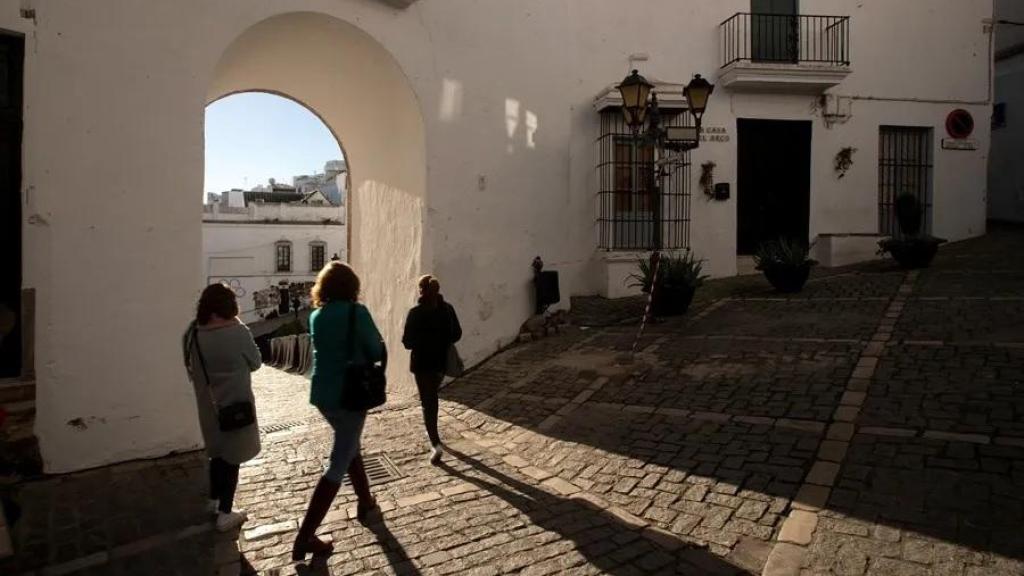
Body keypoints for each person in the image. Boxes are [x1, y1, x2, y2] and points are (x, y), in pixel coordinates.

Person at [292, 261, 384, 561]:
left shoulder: (317, 316)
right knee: (338, 461)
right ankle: (304, 538)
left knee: (350, 446)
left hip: (323, 395)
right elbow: (374, 348)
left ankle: (365, 501)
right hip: (351, 395)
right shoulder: (357, 313)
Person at [183, 283, 262, 532]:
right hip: (235, 405)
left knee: (216, 454)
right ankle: (225, 513)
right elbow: (256, 362)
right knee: (232, 459)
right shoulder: (238, 332)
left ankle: (214, 500)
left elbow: (189, 365)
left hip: (209, 405)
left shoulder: (193, 333)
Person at [402, 275, 462, 465]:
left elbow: (407, 342)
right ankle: (434, 437)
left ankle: (435, 442)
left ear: (422, 290)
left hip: (421, 363)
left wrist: (422, 340)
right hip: (440, 362)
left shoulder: (416, 313)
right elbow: (457, 334)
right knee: (432, 397)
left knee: (428, 402)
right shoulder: (448, 309)